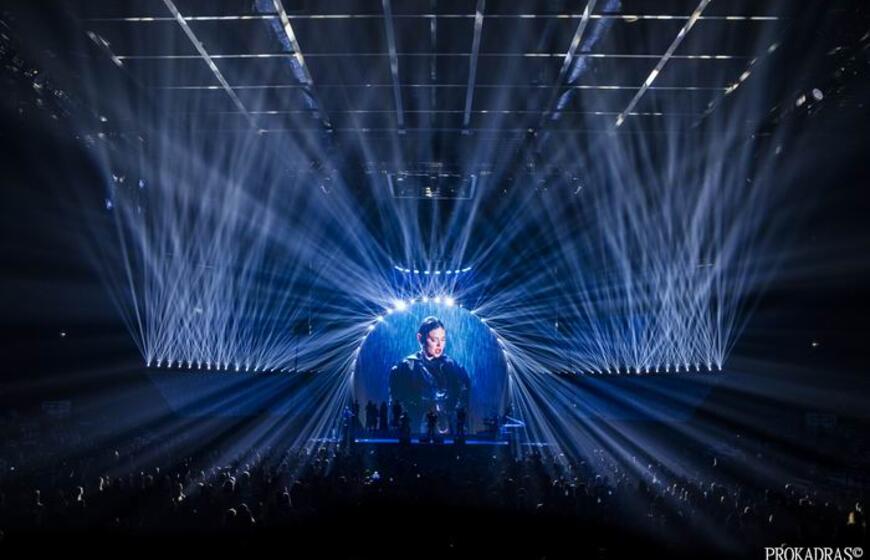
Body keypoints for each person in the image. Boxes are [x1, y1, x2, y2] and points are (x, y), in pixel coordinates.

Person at [388, 316, 471, 434]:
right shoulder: (405, 367)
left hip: (446, 426)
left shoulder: (453, 367)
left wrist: (452, 415)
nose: (439, 345)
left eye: (443, 339)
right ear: (420, 338)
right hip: (415, 425)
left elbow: (463, 396)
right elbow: (396, 402)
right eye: (434, 339)